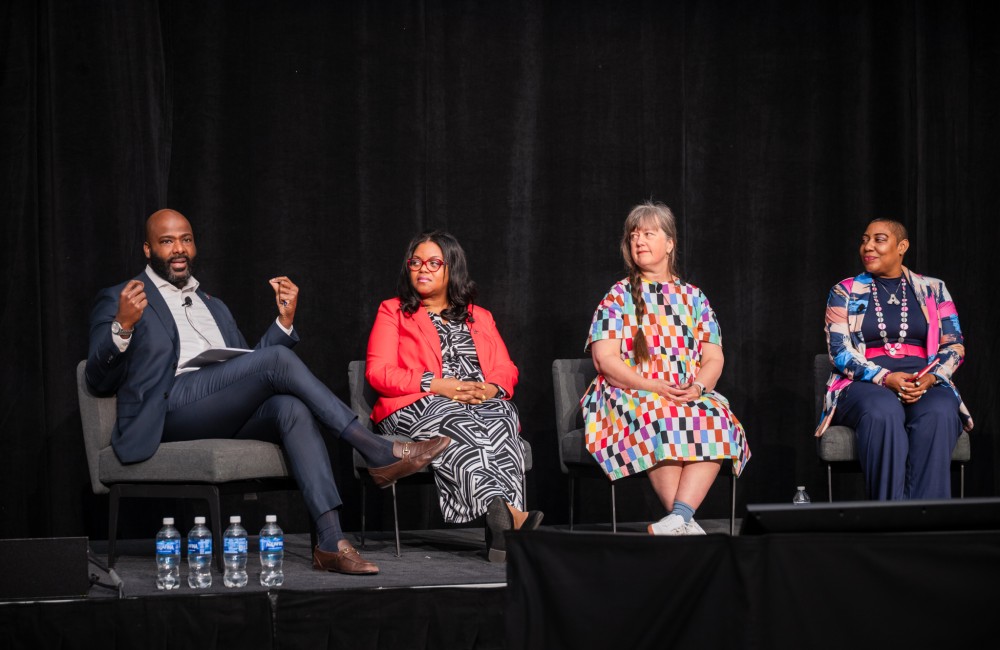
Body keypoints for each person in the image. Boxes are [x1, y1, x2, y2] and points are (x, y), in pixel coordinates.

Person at [85, 209, 450, 575]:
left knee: (290, 408)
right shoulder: (122, 297)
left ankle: (330, 541)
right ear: (148, 249)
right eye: (167, 241)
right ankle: (373, 448)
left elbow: (248, 366)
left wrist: (284, 323)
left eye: (186, 239)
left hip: (216, 409)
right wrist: (123, 326)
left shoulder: (214, 305)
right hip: (167, 411)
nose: (179, 249)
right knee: (275, 362)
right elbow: (97, 380)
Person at [365, 230, 542, 562]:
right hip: (418, 402)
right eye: (415, 262)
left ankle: (503, 527)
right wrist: (437, 384)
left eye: (434, 262)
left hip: (480, 402)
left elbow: (507, 368)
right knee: (456, 419)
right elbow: (379, 373)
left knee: (503, 415)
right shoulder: (394, 312)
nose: (422, 269)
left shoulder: (480, 316)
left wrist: (490, 389)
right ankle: (510, 519)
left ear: (452, 269)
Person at [582, 201, 750, 536]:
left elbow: (713, 358)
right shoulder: (618, 296)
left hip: (684, 390)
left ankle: (678, 520)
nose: (639, 241)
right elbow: (606, 361)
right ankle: (685, 520)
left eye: (648, 234)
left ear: (669, 243)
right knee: (660, 414)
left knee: (716, 416)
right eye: (633, 236)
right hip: (627, 392)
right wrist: (653, 386)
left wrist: (699, 388)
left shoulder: (694, 298)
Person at [817, 218, 972, 499]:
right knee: (883, 410)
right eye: (865, 240)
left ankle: (928, 522)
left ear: (902, 246)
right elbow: (839, 350)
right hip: (864, 383)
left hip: (923, 380)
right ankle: (889, 519)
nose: (868, 247)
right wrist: (885, 378)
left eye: (879, 239)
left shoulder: (934, 289)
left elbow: (955, 345)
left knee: (939, 412)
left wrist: (931, 378)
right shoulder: (845, 291)